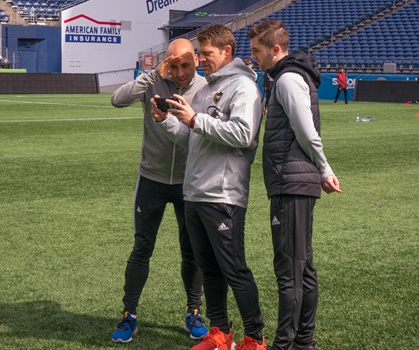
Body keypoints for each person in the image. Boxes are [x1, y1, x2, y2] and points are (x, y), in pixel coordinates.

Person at [151, 24, 266, 350]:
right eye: (199, 53)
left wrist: (194, 120)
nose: (200, 60)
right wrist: (168, 121)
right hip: (195, 192)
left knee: (234, 269)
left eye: (206, 54)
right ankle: (220, 333)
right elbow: (194, 137)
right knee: (209, 270)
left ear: (227, 52)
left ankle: (255, 338)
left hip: (224, 192)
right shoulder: (204, 92)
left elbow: (244, 134)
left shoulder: (243, 88)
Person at [248, 19, 342, 350]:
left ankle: (285, 345)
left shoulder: (287, 80)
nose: (253, 57)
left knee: (289, 270)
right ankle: (303, 342)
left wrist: (324, 169)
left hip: (291, 182)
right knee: (302, 267)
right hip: (294, 180)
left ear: (276, 49)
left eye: (257, 51)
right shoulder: (287, 78)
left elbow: (306, 131)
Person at [110, 38, 208, 343]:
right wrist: (153, 75)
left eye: (185, 64)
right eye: (174, 65)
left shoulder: (205, 88)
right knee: (142, 248)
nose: (179, 72)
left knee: (191, 251)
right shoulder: (153, 82)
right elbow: (117, 99)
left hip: (188, 181)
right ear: (166, 62)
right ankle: (129, 315)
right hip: (151, 179)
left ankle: (194, 312)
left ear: (196, 61)